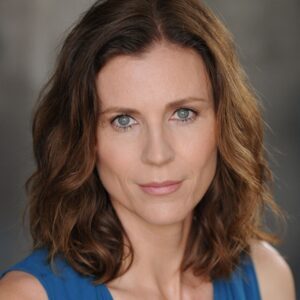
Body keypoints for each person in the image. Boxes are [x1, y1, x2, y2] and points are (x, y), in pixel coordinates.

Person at [0, 0, 296, 299]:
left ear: (223, 123)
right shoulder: (26, 295)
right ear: (85, 139)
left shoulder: (267, 277)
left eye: (183, 114)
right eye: (124, 120)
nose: (157, 154)